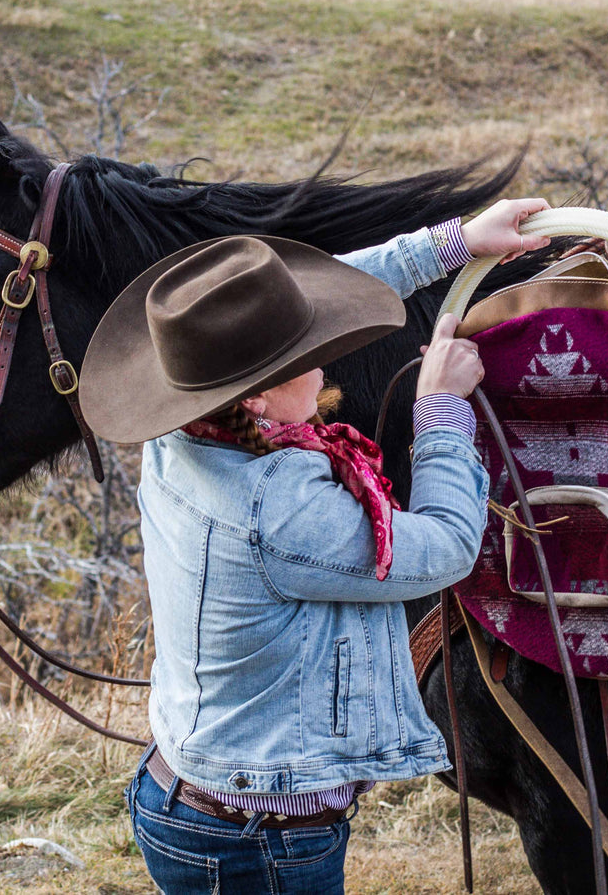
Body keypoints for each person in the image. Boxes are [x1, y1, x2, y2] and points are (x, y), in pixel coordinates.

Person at [78, 199, 551, 893]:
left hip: (191, 795)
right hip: (258, 838)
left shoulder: (183, 426)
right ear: (261, 397)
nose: (327, 362)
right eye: (309, 356)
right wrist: (442, 410)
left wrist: (451, 244)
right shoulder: (280, 510)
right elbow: (448, 544)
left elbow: (293, 306)